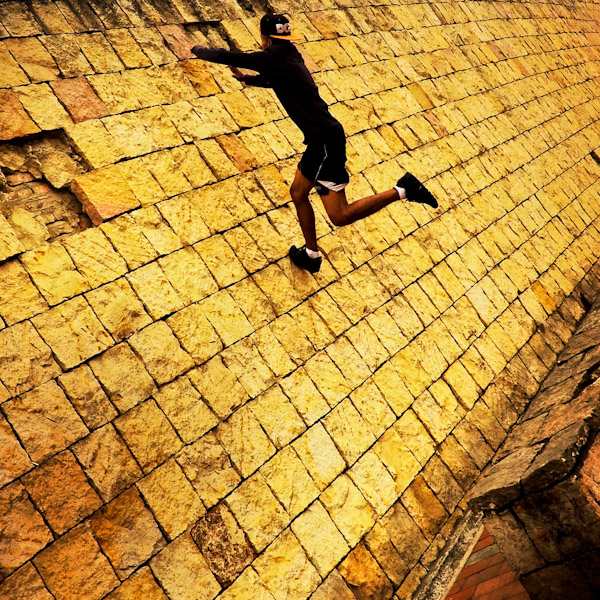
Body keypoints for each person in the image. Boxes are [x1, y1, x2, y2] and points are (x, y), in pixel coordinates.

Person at [191, 13, 438, 273]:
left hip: (324, 145)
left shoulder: (274, 57)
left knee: (339, 216)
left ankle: (403, 190)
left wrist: (197, 50)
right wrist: (249, 80)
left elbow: (230, 56)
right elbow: (277, 80)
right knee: (298, 193)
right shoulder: (289, 55)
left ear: (264, 37)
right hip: (321, 141)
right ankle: (311, 254)